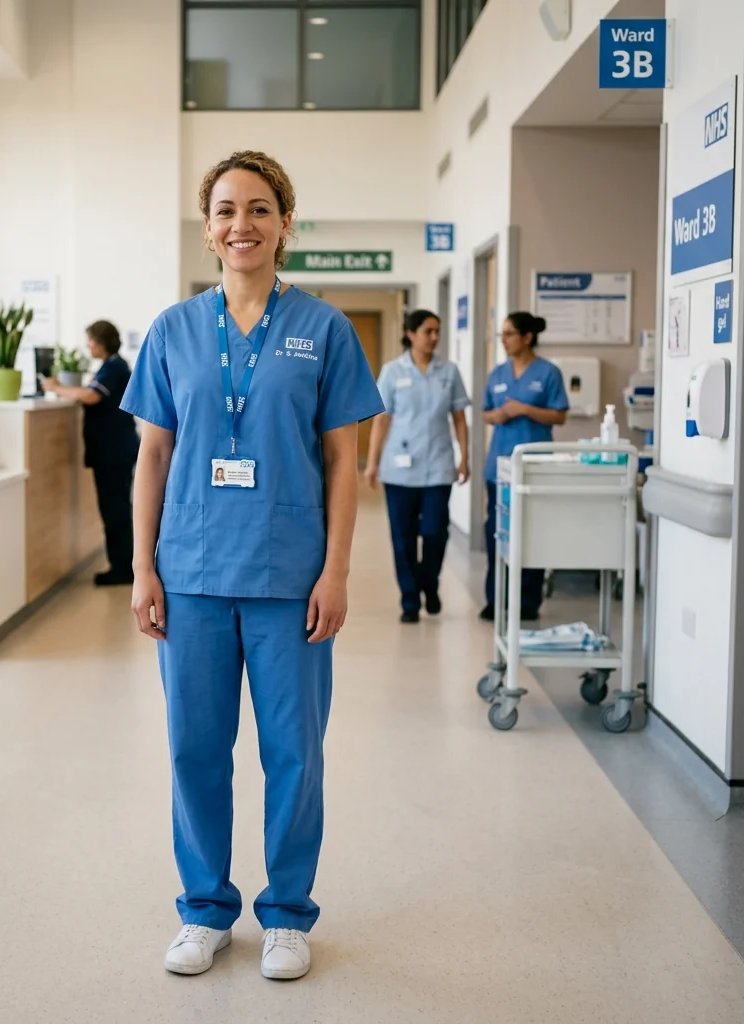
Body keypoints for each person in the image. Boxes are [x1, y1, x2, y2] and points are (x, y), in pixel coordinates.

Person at [121, 151, 383, 982]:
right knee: (195, 747)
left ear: (285, 225)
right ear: (209, 228)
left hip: (288, 576)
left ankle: (287, 915)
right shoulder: (173, 330)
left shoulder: (325, 330)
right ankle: (204, 910)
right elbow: (152, 457)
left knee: (293, 753)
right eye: (228, 209)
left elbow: (344, 462)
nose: (244, 224)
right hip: (192, 571)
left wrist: (336, 570)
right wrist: (142, 566)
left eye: (261, 208)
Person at [365, 309, 470, 623]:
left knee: (435, 531)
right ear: (410, 334)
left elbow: (460, 419)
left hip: (438, 466)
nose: (434, 337)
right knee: (403, 536)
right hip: (399, 469)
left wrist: (465, 456)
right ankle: (410, 600)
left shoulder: (448, 372)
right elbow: (381, 420)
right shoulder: (393, 372)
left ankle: (430, 583)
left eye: (437, 331)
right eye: (428, 331)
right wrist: (372, 463)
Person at [479, 311, 569, 622]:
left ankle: (528, 602)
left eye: (509, 334)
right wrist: (499, 415)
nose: (503, 340)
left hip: (535, 466)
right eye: (502, 334)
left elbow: (559, 415)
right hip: (499, 467)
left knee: (533, 533)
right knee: (496, 531)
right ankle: (495, 599)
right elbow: (485, 413)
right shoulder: (498, 373)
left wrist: (525, 409)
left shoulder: (548, 373)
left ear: (527, 337)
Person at [41, 320, 140, 586]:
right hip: (112, 449)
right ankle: (122, 564)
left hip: (114, 451)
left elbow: (91, 396)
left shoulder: (115, 367)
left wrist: (55, 388)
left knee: (115, 509)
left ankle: (122, 568)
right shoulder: (111, 366)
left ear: (102, 341)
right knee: (115, 508)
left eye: (91, 340)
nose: (88, 345)